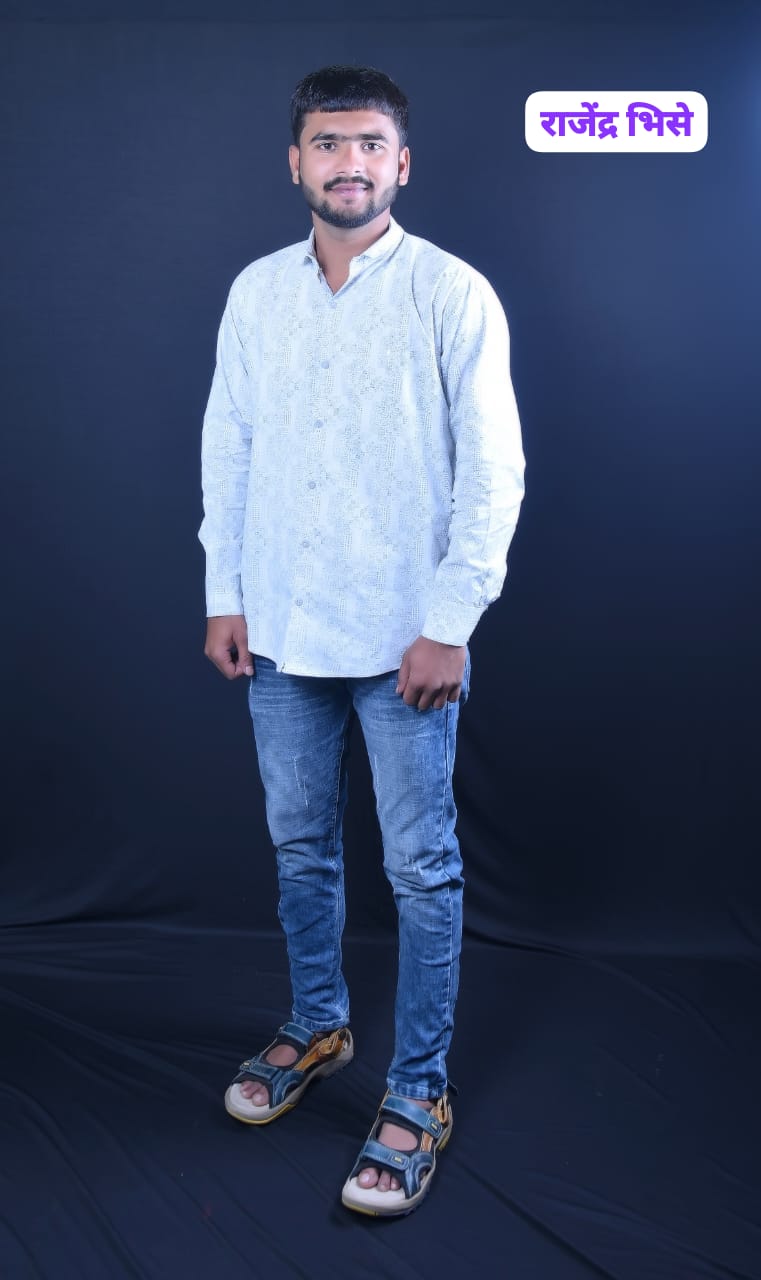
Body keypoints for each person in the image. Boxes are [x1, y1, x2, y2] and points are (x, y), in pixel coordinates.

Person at [199, 64, 525, 1218]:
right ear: (295, 161)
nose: (349, 163)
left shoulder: (449, 291)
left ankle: (418, 1087)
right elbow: (229, 443)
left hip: (405, 643)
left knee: (420, 868)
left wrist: (448, 623)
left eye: (370, 145)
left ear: (401, 163)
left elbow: (494, 469)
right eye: (328, 144)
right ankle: (316, 1023)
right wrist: (225, 591)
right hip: (282, 632)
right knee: (300, 847)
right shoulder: (256, 292)